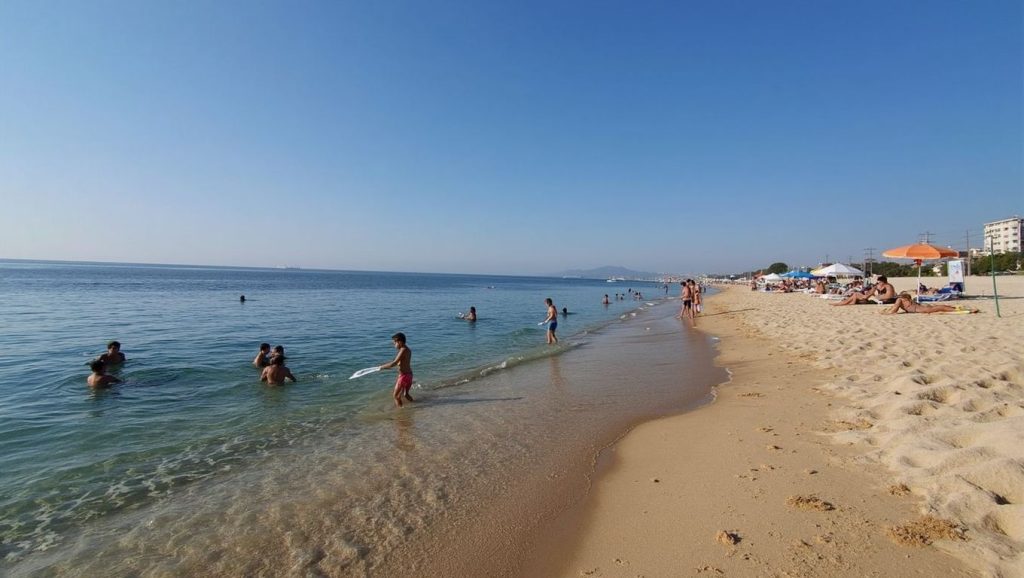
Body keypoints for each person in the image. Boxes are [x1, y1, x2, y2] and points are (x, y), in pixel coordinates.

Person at [379, 332, 414, 407]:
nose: (394, 344)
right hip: (409, 375)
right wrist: (386, 367)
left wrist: (381, 367)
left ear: (400, 342)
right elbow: (402, 364)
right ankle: (414, 405)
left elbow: (394, 363)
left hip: (403, 377)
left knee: (396, 396)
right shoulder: (408, 350)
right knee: (406, 394)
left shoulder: (402, 350)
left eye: (395, 342)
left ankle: (401, 412)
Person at [882, 292, 978, 315]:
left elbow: (894, 310)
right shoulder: (903, 300)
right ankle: (964, 309)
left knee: (941, 307)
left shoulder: (899, 300)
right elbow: (894, 308)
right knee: (941, 306)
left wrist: (885, 313)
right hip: (921, 306)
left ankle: (968, 311)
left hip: (921, 309)